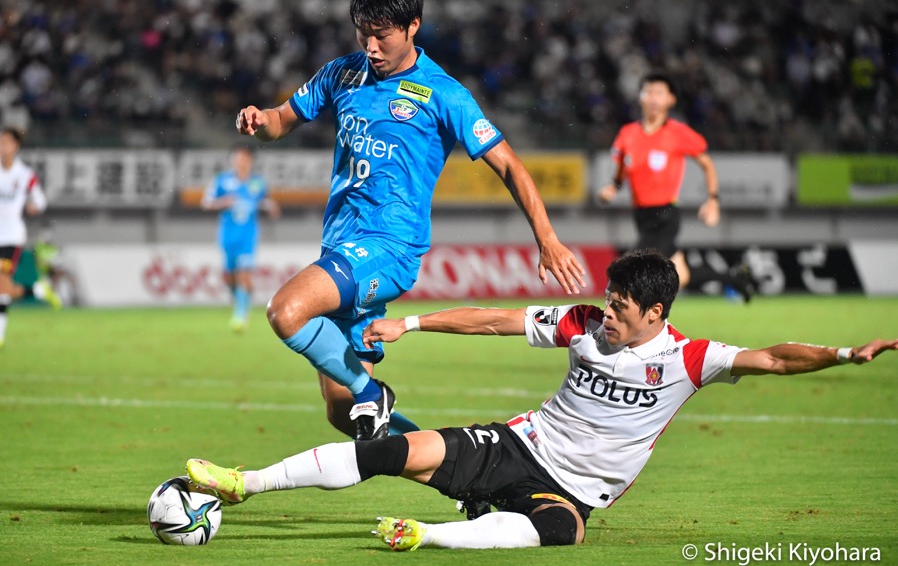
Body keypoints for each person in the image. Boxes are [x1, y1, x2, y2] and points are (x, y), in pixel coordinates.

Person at [184, 250, 897, 551]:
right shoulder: (582, 322)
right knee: (392, 449)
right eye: (609, 299)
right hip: (518, 443)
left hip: (576, 491)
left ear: (655, 311)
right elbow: (495, 319)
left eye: (621, 305)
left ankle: (423, 536)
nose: (607, 311)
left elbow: (773, 356)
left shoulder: (688, 357)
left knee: (564, 532)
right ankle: (245, 483)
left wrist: (843, 354)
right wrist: (415, 321)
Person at [233, 0, 585, 441]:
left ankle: (371, 393)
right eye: (364, 34)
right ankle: (457, 477)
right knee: (343, 413)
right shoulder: (342, 72)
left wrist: (548, 238)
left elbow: (510, 165)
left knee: (286, 311)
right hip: (340, 245)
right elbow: (283, 120)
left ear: (412, 26)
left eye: (382, 36)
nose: (371, 47)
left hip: (389, 247)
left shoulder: (445, 94)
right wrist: (262, 119)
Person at [598, 73, 755, 301]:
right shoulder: (628, 134)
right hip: (641, 215)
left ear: (671, 100)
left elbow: (707, 163)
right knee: (683, 275)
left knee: (631, 266)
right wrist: (612, 187)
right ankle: (736, 279)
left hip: (665, 215)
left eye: (659, 93)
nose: (653, 98)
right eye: (648, 92)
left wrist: (713, 200)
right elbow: (621, 171)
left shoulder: (677, 133)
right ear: (640, 97)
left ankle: (630, 324)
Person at [201, 144, 280, 332]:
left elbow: (265, 200)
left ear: (250, 161)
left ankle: (240, 315)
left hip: (248, 236)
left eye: (244, 158)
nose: (241, 162)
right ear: (232, 161)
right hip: (227, 236)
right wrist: (222, 202)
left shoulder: (257, 183)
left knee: (244, 273)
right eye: (237, 158)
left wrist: (271, 206)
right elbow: (206, 202)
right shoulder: (222, 181)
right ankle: (242, 302)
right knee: (230, 277)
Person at [0, 127, 61, 349]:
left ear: (15, 146)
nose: (2, 146)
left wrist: (34, 206)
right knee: (2, 288)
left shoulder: (25, 175)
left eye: (6, 142)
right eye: (0, 142)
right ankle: (38, 290)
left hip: (11, 237)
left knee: (0, 285)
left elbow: (41, 200)